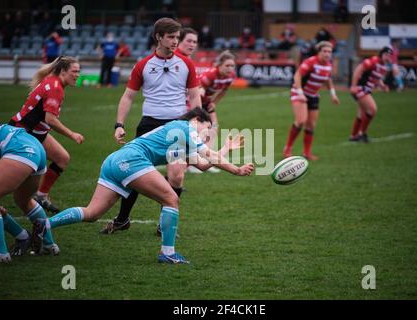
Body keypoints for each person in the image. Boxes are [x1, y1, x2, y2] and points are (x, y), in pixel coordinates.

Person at [31, 108, 254, 264]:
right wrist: (236, 170)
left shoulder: (180, 140)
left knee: (92, 213)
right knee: (171, 199)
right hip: (132, 159)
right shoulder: (185, 128)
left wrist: (226, 149)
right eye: (206, 130)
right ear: (197, 119)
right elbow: (209, 154)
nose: (206, 136)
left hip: (114, 161)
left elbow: (205, 164)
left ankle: (45, 225)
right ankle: (168, 253)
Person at [100, 18, 202, 235]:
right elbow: (128, 97)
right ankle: (122, 219)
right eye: (171, 37)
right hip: (149, 125)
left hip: (177, 125)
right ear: (158, 37)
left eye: (177, 37)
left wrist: (196, 123)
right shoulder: (143, 65)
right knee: (135, 175)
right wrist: (119, 124)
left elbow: (194, 95)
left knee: (177, 175)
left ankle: (164, 223)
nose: (175, 41)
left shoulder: (186, 64)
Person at [8, 56, 85, 213]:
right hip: (23, 133)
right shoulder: (55, 87)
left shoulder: (53, 81)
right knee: (16, 179)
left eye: (79, 71)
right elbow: (50, 119)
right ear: (63, 71)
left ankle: (41, 196)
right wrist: (72, 134)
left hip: (36, 132)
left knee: (62, 158)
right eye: (74, 71)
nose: (77, 75)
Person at [0, 124, 59, 263]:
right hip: (35, 147)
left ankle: (0, 253)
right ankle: (48, 244)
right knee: (23, 200)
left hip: (20, 151)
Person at [283, 41, 340, 161]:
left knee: (311, 125)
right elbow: (297, 76)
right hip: (299, 93)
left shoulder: (328, 65)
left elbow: (328, 79)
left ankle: (307, 153)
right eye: (324, 51)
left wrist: (333, 94)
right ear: (318, 52)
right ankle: (288, 148)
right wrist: (300, 93)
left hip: (313, 95)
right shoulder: (310, 62)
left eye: (329, 52)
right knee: (301, 121)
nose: (327, 54)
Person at [196, 50, 236, 166]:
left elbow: (224, 91)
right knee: (198, 131)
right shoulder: (211, 75)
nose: (230, 68)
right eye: (227, 65)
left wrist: (214, 103)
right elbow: (199, 91)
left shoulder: (230, 76)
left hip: (206, 103)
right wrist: (199, 111)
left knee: (214, 129)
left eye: (232, 66)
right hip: (195, 103)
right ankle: (193, 163)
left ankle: (207, 160)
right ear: (219, 65)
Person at [349, 47, 392, 142]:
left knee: (362, 113)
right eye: (386, 55)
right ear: (381, 54)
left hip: (367, 90)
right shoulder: (373, 61)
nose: (387, 57)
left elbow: (377, 78)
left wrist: (383, 86)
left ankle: (353, 136)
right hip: (360, 88)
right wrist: (353, 86)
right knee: (372, 109)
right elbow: (358, 70)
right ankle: (362, 133)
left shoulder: (384, 66)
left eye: (389, 56)